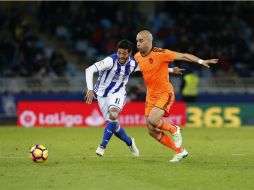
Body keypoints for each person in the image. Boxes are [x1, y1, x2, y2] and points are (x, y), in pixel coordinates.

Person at [85, 39, 183, 157]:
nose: (121, 56)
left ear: (130, 53)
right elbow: (89, 70)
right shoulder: (109, 61)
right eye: (119, 53)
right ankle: (130, 142)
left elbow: (152, 69)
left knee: (114, 115)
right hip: (101, 96)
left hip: (118, 93)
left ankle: (102, 146)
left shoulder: (133, 64)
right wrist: (90, 89)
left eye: (124, 53)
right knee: (113, 125)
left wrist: (172, 70)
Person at [134, 30, 218, 162]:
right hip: (150, 95)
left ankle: (174, 129)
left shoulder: (161, 53)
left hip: (164, 92)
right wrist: (172, 70)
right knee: (151, 130)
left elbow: (184, 56)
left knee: (154, 120)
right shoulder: (137, 57)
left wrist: (201, 61)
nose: (138, 43)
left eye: (141, 41)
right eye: (137, 41)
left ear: (149, 41)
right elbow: (149, 68)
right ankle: (180, 151)